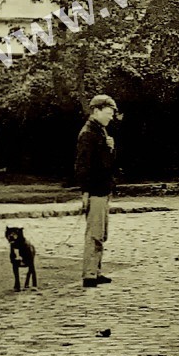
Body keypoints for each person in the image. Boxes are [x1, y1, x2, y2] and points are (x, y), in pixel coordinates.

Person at [74, 94, 120, 288]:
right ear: (96, 111)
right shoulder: (88, 134)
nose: (110, 117)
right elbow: (83, 166)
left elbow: (107, 164)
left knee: (101, 233)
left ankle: (96, 270)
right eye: (108, 113)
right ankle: (90, 274)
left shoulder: (99, 132)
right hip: (95, 191)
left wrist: (111, 149)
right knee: (94, 233)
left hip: (102, 189)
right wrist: (85, 192)